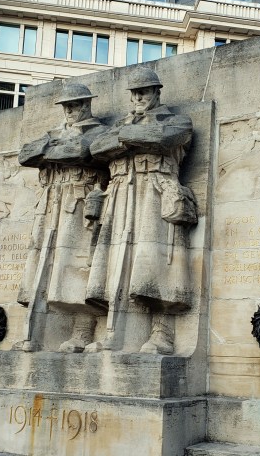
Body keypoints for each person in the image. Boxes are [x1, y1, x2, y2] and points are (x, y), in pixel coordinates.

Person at [85, 68, 197, 355]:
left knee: (158, 266)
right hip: (120, 191)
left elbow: (164, 137)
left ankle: (162, 334)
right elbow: (96, 148)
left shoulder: (175, 120)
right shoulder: (122, 122)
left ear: (156, 92)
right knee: (116, 265)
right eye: (134, 93)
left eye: (143, 91)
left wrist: (124, 138)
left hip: (154, 190)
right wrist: (131, 136)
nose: (138, 98)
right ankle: (114, 334)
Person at [14, 83, 109, 352]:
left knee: (77, 266)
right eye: (66, 106)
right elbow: (25, 154)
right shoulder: (55, 133)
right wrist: (53, 146)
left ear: (86, 105)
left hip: (79, 199)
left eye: (74, 105)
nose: (69, 111)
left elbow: (79, 151)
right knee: (44, 267)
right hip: (51, 200)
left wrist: (49, 150)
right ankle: (39, 334)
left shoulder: (99, 131)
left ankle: (83, 331)